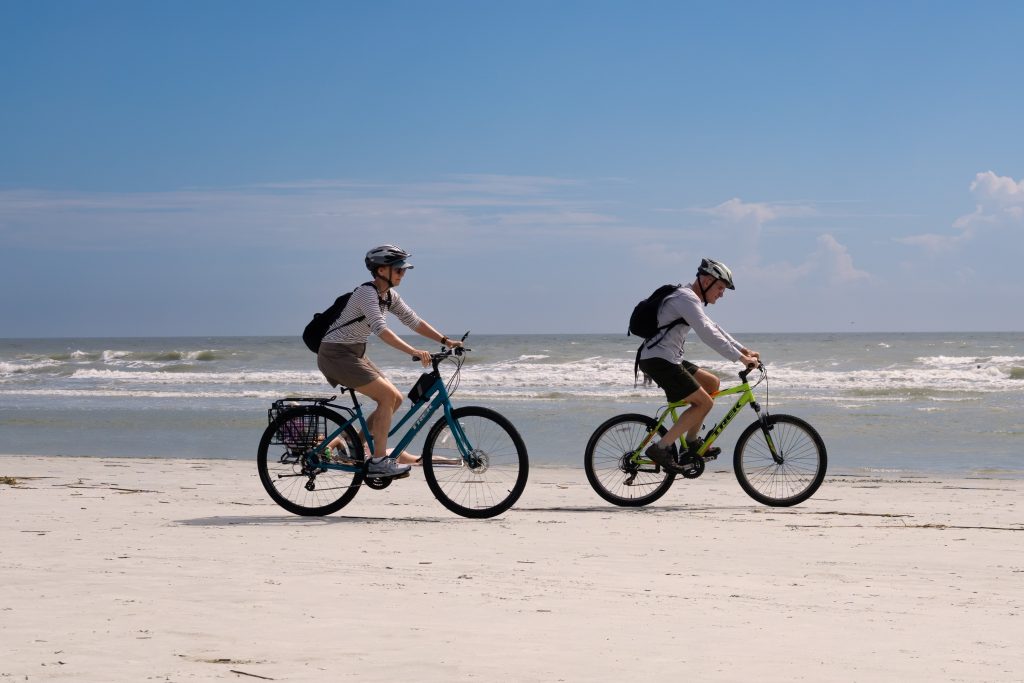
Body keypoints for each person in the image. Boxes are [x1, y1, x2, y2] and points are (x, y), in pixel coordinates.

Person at [317, 244, 462, 479]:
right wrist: (412, 350)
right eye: (399, 269)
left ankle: (347, 445)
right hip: (336, 354)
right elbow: (380, 329)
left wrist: (445, 340)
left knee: (394, 398)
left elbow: (413, 321)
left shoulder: (389, 296)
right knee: (385, 397)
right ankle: (378, 461)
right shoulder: (366, 293)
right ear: (381, 270)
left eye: (404, 270)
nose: (403, 274)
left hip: (354, 353)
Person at [638, 258, 759, 472]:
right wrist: (741, 360)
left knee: (712, 383)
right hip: (659, 360)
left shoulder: (690, 299)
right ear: (705, 280)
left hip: (668, 358)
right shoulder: (685, 298)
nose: (721, 293)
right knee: (704, 403)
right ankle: (661, 447)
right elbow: (707, 334)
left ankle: (691, 444)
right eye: (720, 287)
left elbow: (715, 327)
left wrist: (743, 351)